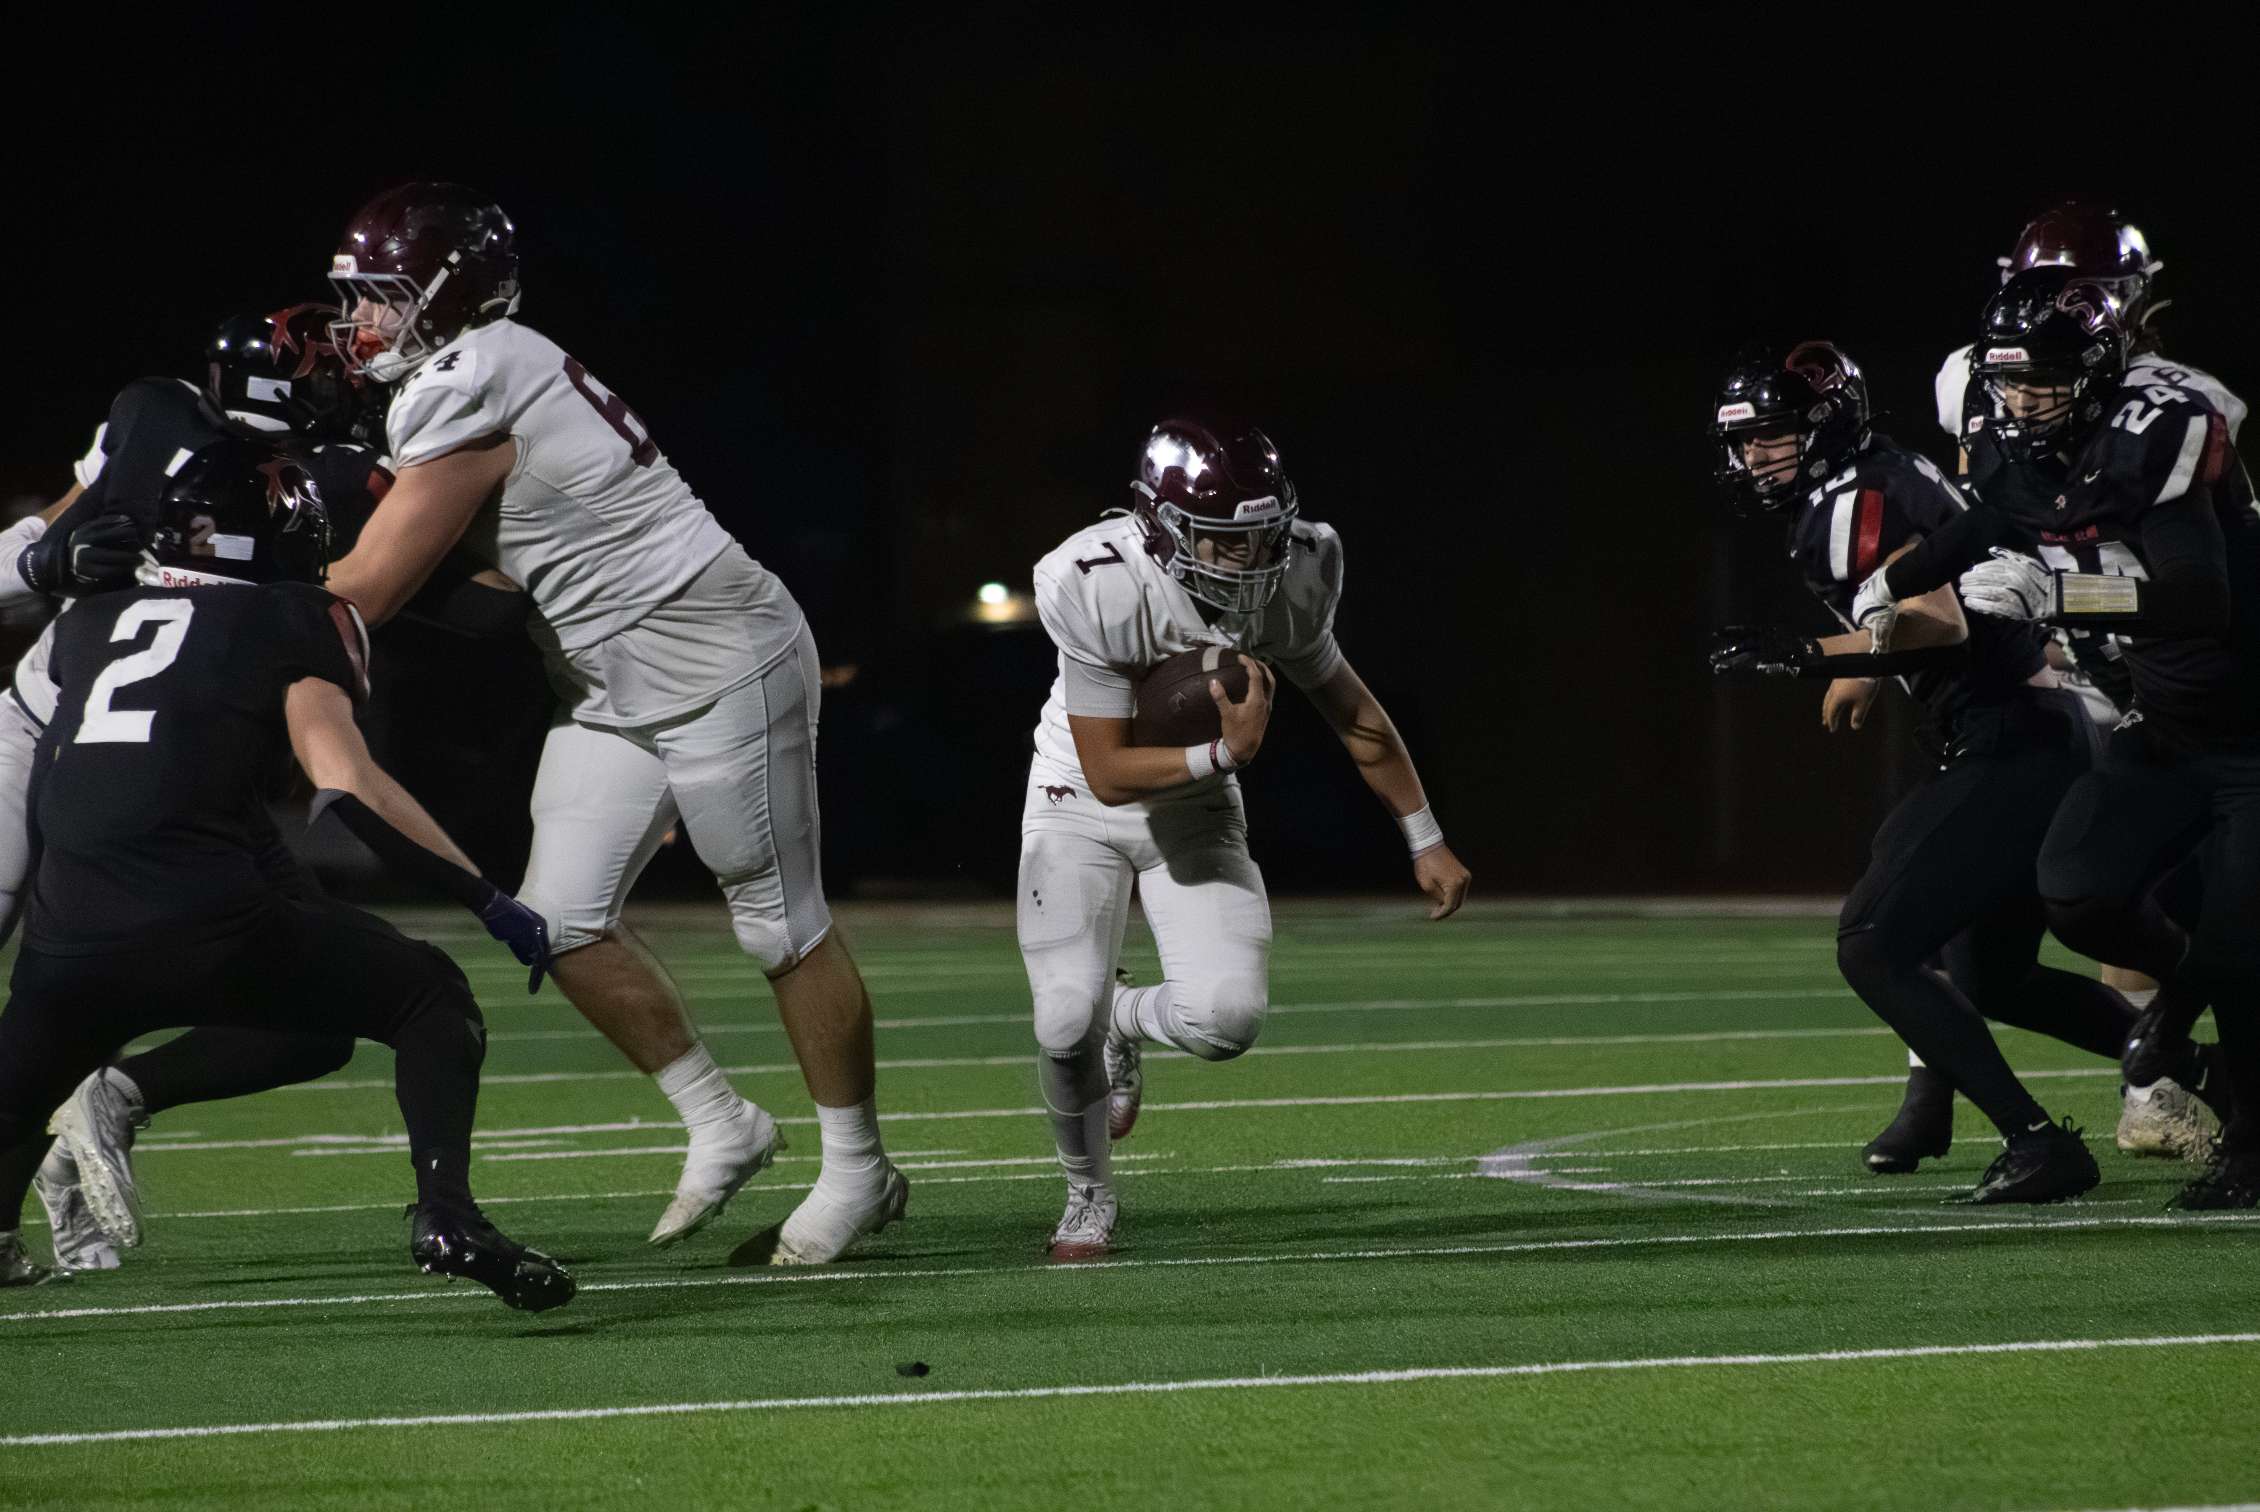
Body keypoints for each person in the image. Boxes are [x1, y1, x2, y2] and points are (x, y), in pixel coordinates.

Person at [322, 183, 902, 1261]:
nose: (360, 325)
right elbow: (488, 595)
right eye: (356, 299)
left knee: (779, 922)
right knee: (560, 920)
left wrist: (225, 572)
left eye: (384, 299)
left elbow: (367, 589)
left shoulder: (476, 372)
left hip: (721, 656)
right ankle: (721, 1122)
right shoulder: (487, 374)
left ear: (452, 299)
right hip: (605, 679)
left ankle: (859, 1169)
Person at [0, 441, 570, 1309]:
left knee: (25, 1086)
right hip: (208, 915)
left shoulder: (85, 617)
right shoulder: (293, 614)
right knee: (428, 995)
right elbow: (349, 782)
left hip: (69, 932)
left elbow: (69, 784)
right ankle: (450, 1214)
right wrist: (487, 898)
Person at [1708, 340, 2154, 1201]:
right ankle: (2214, 1073)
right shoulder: (1882, 474)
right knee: (1995, 974)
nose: (1751, 457)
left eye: (1769, 435)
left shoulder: (1852, 499)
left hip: (2014, 734)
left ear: (1823, 426)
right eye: (1742, 440)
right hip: (2036, 725)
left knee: (1874, 940)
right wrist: (1855, 662)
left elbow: (1936, 623)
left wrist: (1811, 653)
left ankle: (2035, 1140)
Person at [1020, 418, 1470, 1260]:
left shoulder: (1299, 570)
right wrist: (1227, 750)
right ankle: (1087, 1198)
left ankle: (1119, 1023)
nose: (1252, 557)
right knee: (1058, 1018)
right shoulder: (1095, 579)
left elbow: (1353, 711)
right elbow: (1109, 769)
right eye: (1224, 539)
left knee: (1225, 1021)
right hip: (1077, 797)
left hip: (1196, 806)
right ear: (1159, 528)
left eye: (1263, 534)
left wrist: (1424, 835)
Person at [1860, 270, 2260, 1207]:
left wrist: (2061, 593)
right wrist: (1900, 577)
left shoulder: (2149, 435)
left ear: (2097, 371)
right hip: (2164, 723)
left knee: (2240, 936)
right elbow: (1996, 519)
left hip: (2252, 729)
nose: (2022, 399)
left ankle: (2246, 1145)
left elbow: (2203, 598)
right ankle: (2174, 1011)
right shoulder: (2015, 442)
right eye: (2010, 380)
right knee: (2075, 888)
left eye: (2044, 378)